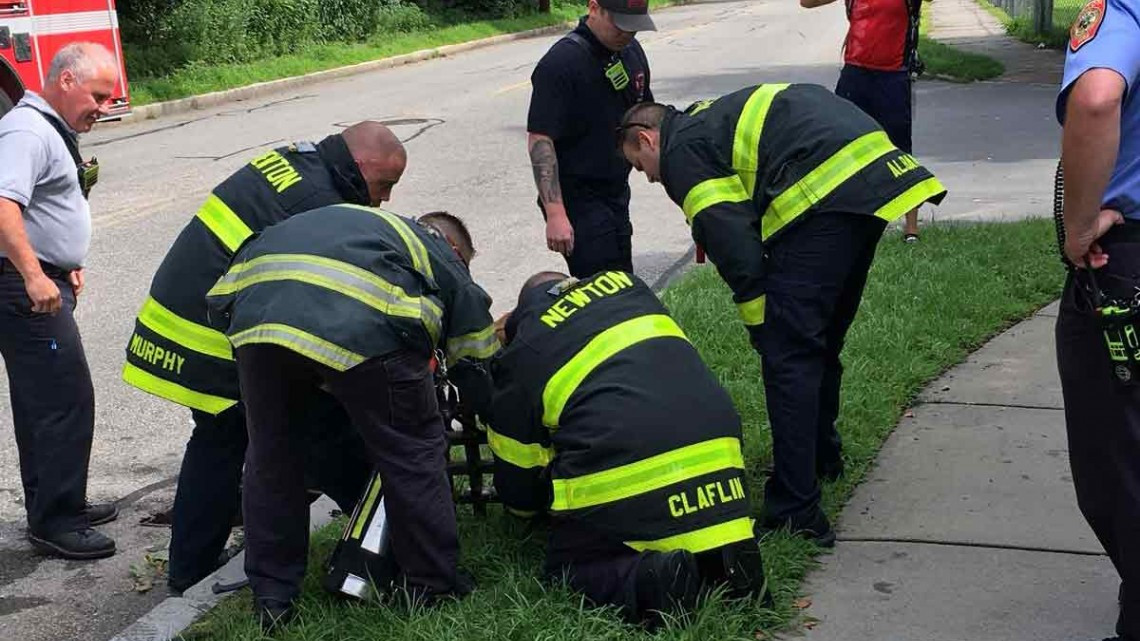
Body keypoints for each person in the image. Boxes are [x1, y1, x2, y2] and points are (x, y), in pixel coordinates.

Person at [618, 85, 946, 545]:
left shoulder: (681, 152)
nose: (650, 179)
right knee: (822, 337)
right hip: (873, 178)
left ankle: (796, 509)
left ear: (648, 139)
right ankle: (820, 457)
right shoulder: (708, 120)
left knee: (789, 355)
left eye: (640, 166)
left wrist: (763, 330)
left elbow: (736, 251)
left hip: (827, 191)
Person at [122, 122, 404, 593]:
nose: (387, 199)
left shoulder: (305, 159)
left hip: (187, 311)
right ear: (362, 167)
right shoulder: (320, 207)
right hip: (207, 331)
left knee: (227, 439)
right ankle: (381, 529)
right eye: (385, 185)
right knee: (277, 433)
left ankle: (190, 568)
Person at [206, 206, 499, 630]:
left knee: (272, 459)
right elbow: (475, 348)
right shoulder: (435, 247)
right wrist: (487, 402)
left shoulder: (356, 225)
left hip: (258, 324)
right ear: (454, 246)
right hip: (368, 331)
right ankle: (434, 584)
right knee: (413, 453)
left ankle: (272, 595)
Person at [488, 270, 767, 624]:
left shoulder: (524, 348)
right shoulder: (632, 290)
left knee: (568, 566)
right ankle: (724, 562)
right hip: (720, 458)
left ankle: (651, 580)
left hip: (635, 468)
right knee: (692, 524)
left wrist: (526, 513)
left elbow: (519, 480)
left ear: (522, 311)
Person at [0, 42, 119, 560]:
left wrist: (62, 260)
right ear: (66, 81)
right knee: (62, 398)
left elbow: (43, 206)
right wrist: (33, 273)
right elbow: (3, 204)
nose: (103, 106)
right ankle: (57, 520)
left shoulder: (47, 126)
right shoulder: (26, 130)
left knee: (44, 398)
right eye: (97, 94)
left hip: (41, 278)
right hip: (23, 287)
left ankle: (57, 502)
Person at [1054, 1, 1140, 639]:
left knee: (1118, 459)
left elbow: (1096, 98)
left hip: (1126, 263)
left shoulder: (1120, 9)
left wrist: (1080, 227)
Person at [527, 0, 654, 278]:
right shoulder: (560, 64)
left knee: (623, 277)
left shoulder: (629, 51)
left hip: (616, 190)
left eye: (634, 28)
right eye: (620, 25)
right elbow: (540, 141)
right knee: (601, 284)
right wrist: (555, 213)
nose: (627, 34)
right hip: (578, 197)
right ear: (594, 8)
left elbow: (644, 115)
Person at [802, 0, 925, 242]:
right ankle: (841, 220)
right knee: (841, 148)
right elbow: (806, 2)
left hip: (892, 77)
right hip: (855, 74)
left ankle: (911, 228)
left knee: (900, 151)